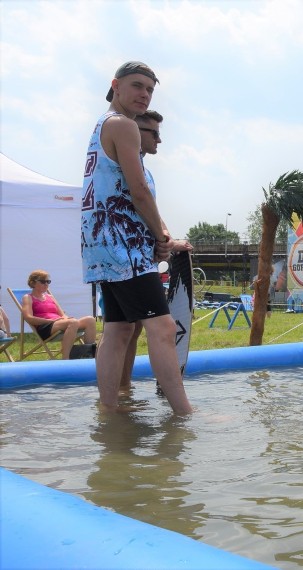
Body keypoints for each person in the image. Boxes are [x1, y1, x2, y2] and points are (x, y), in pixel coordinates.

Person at [81, 61, 191, 414]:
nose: (144, 94)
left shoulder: (102, 125)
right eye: (137, 86)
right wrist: (164, 237)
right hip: (123, 246)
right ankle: (184, 415)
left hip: (101, 245)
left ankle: (109, 410)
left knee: (118, 329)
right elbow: (139, 191)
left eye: (150, 89)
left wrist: (160, 234)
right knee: (160, 328)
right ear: (116, 85)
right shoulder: (123, 125)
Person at [119, 110, 193, 391]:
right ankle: (180, 409)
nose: (159, 140)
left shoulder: (143, 169)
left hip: (135, 257)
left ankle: (122, 394)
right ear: (135, 133)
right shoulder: (128, 165)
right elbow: (139, 200)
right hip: (130, 259)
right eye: (154, 133)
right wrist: (166, 242)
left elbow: (151, 208)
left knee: (127, 328)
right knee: (161, 328)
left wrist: (165, 239)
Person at [21, 270, 97, 359]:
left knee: (90, 320)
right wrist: (49, 321)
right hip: (45, 326)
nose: (46, 284)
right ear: (33, 283)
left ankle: (89, 354)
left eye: (48, 281)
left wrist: (66, 319)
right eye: (42, 281)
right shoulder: (28, 297)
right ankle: (65, 358)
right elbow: (28, 317)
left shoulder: (50, 297)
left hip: (59, 323)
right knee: (73, 322)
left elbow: (62, 314)